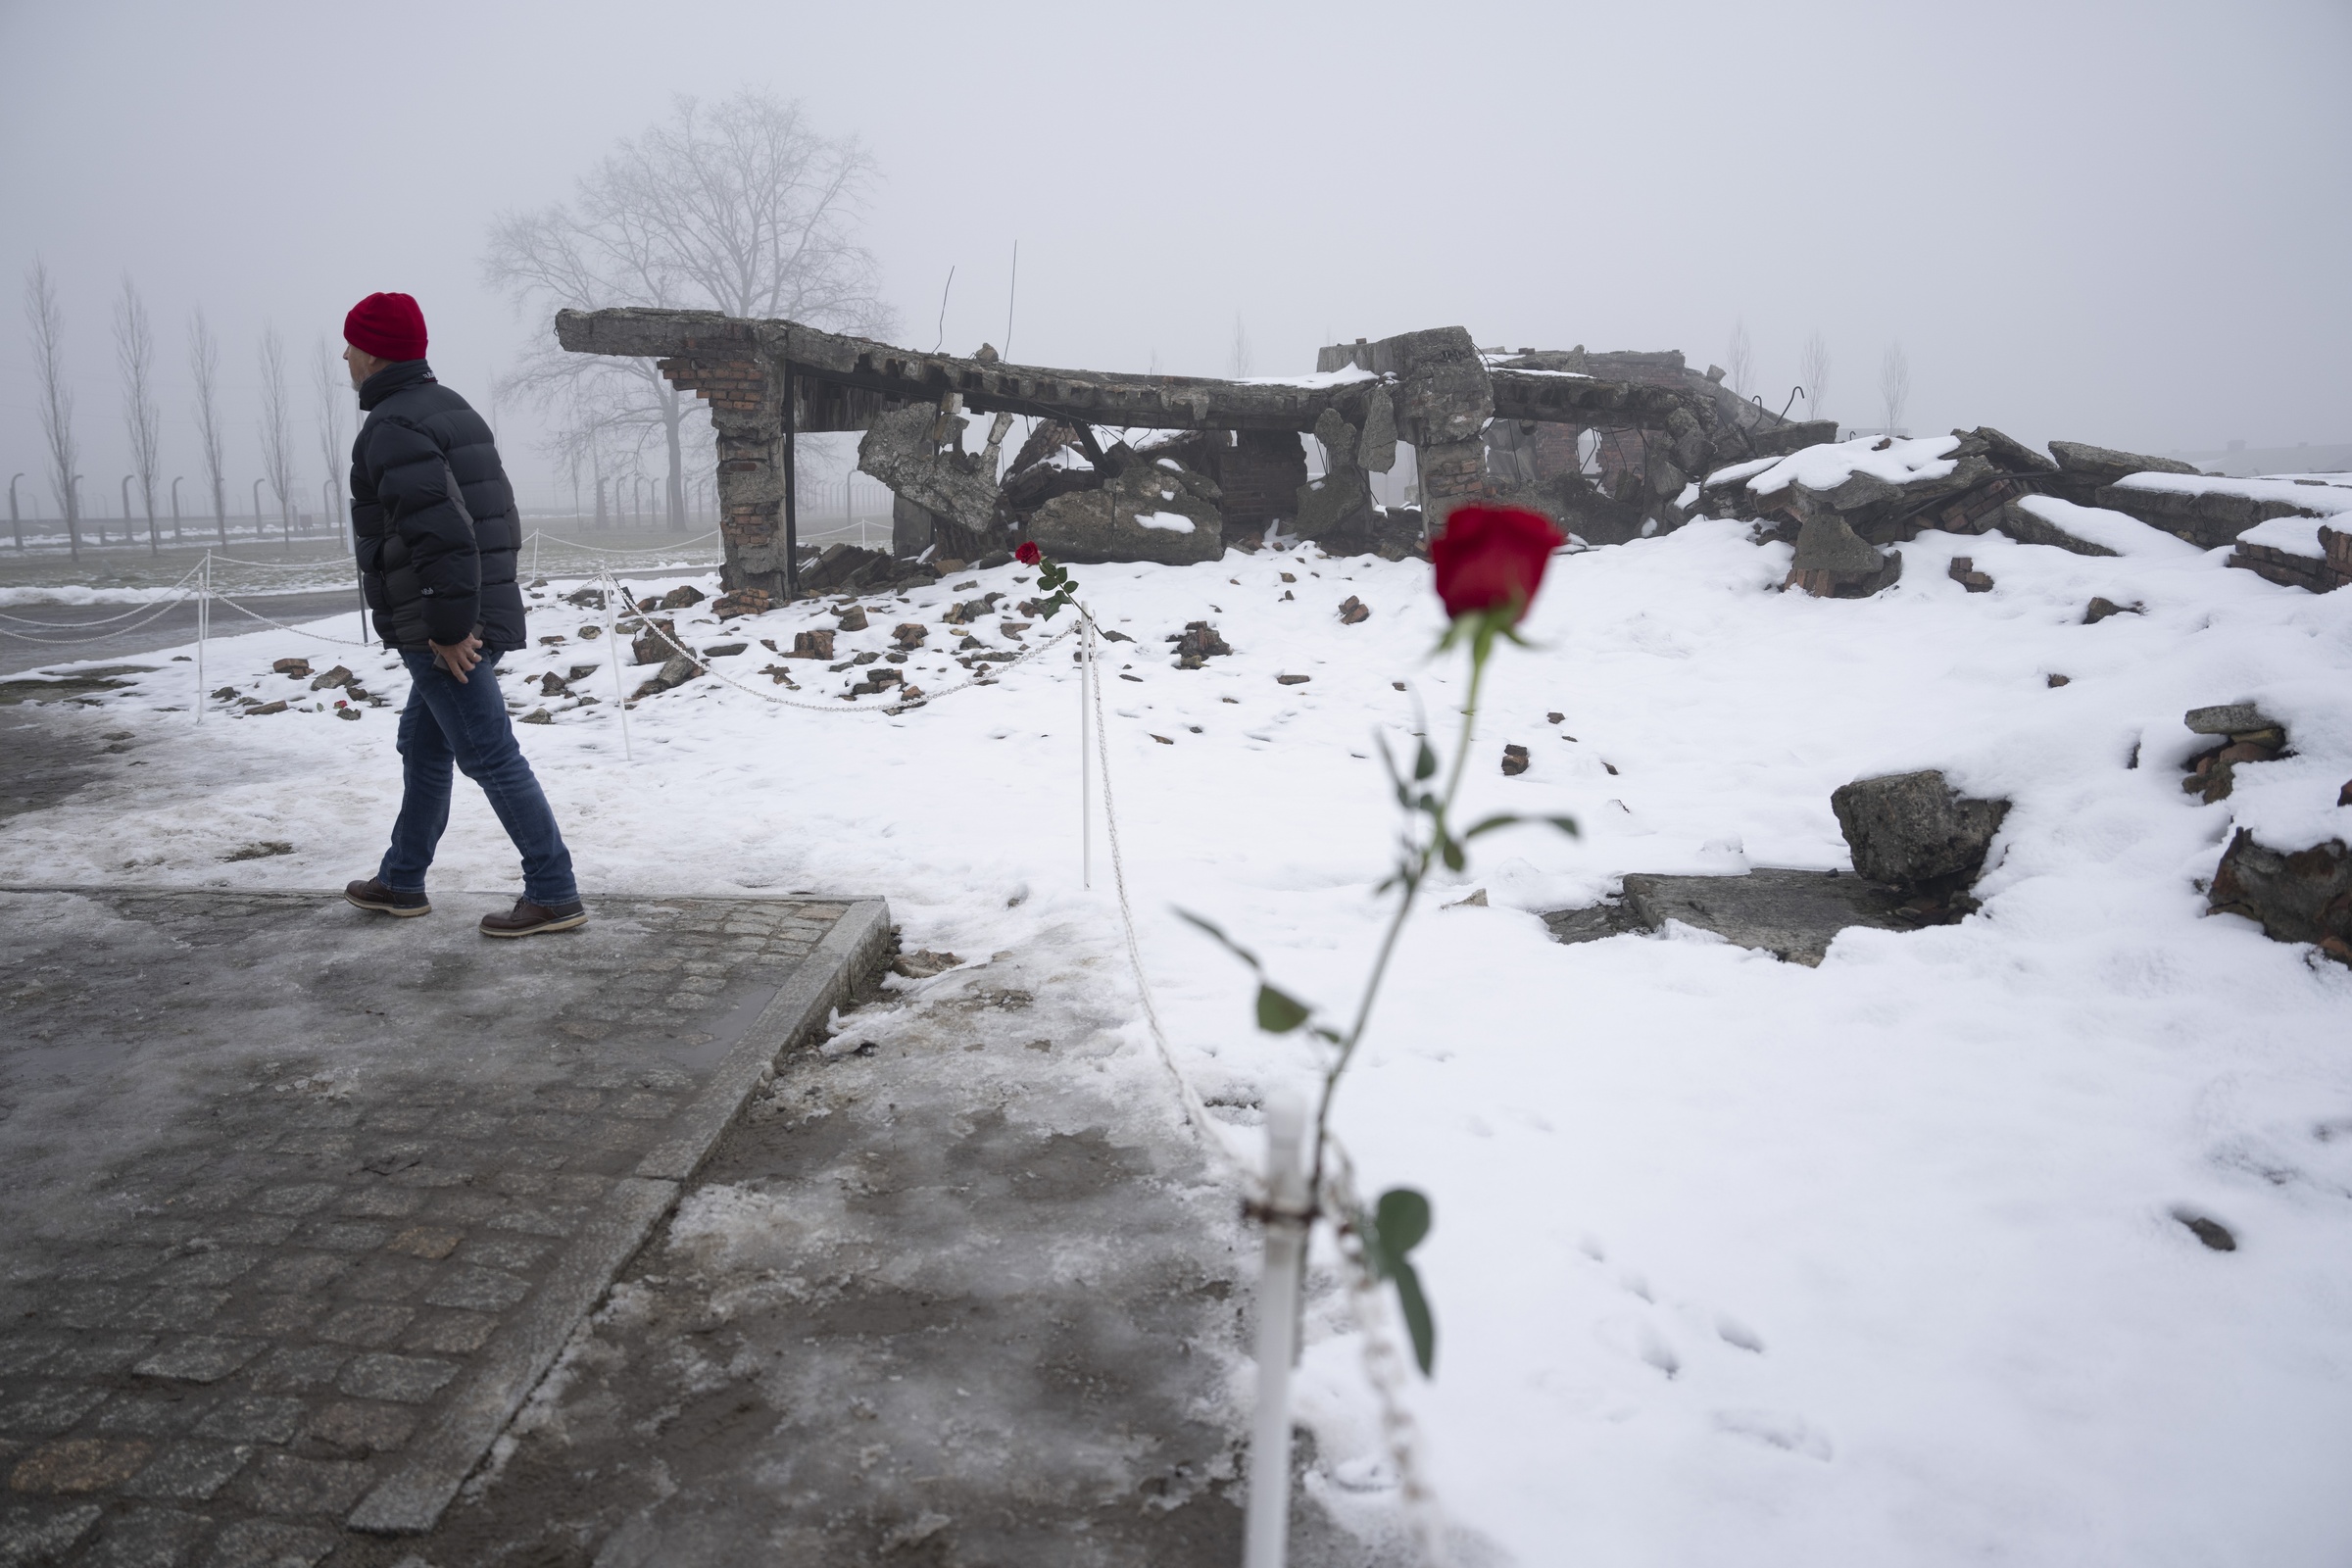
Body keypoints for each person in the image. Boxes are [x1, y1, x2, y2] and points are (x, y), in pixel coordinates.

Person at [335, 291, 586, 937]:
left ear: (371, 353)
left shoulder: (392, 425)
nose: (344, 356)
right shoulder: (451, 409)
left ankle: (554, 891)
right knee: (421, 745)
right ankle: (401, 880)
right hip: (469, 610)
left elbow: (442, 532)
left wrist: (449, 629)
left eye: (350, 345)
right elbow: (497, 516)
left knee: (489, 755)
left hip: (444, 626)